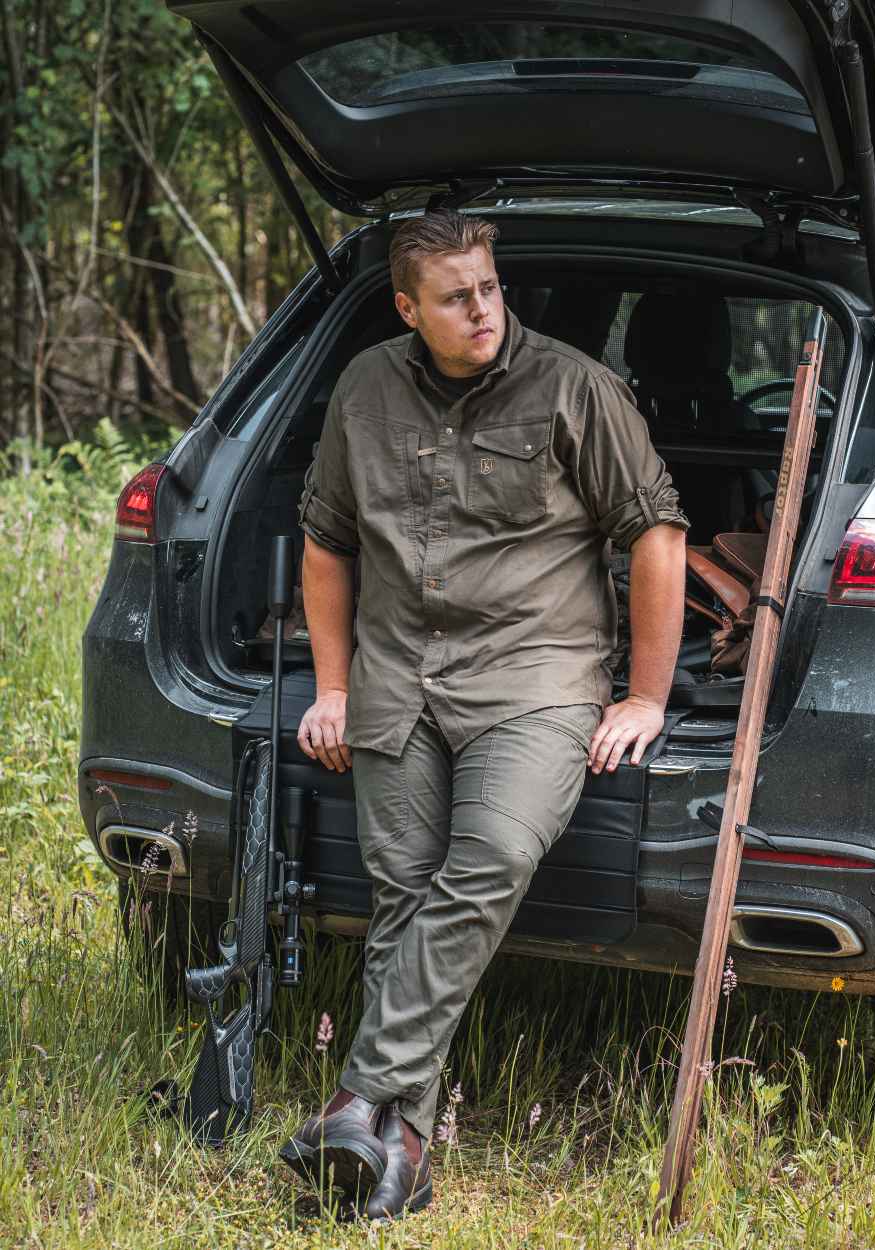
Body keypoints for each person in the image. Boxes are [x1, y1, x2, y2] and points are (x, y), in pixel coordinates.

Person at [279, 209, 688, 1220]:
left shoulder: (573, 387)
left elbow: (657, 533)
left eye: (490, 287)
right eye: (456, 296)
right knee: (402, 894)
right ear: (407, 306)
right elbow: (326, 542)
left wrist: (643, 693)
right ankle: (400, 1154)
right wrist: (331, 685)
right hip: (397, 676)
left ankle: (357, 1093)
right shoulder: (365, 388)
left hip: (534, 675)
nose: (482, 310)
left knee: (493, 854)